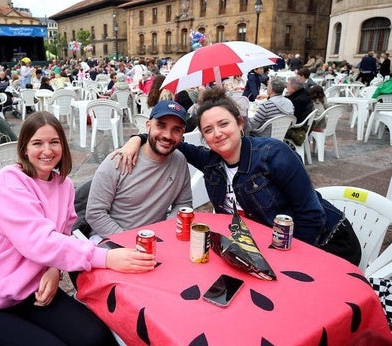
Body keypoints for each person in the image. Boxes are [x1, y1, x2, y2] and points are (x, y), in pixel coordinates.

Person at [0, 111, 156, 346]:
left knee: (96, 336)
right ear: (25, 148)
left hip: (31, 293)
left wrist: (52, 269)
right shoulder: (9, 181)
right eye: (38, 143)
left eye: (54, 142)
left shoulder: (64, 185)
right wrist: (107, 258)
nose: (47, 151)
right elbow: (39, 242)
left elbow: (62, 236)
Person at [115, 86, 361, 265]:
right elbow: (171, 140)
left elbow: (311, 216)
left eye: (224, 124)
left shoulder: (273, 154)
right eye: (208, 130)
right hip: (262, 250)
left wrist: (290, 262)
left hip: (325, 244)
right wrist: (137, 138)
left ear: (240, 123)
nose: (217, 134)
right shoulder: (211, 162)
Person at [85, 100, 192, 241]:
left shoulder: (179, 161)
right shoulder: (118, 160)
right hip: (111, 239)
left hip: (156, 239)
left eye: (176, 129)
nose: (167, 135)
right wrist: (130, 241)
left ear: (182, 133)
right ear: (148, 126)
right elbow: (95, 213)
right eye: (161, 125)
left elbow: (183, 203)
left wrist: (166, 229)